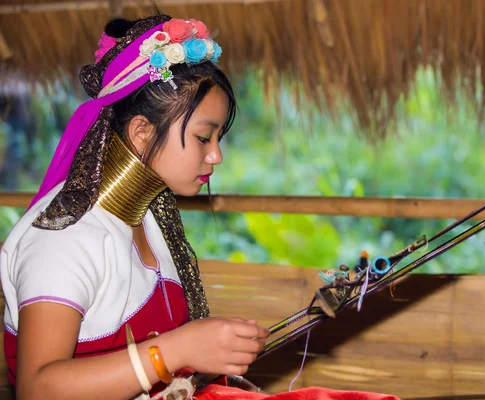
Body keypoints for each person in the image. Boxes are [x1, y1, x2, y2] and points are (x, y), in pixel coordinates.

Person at [0, 14, 400, 400]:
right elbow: (37, 389)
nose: (216, 157)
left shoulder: (150, 216)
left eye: (218, 139)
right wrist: (177, 351)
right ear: (142, 132)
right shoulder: (64, 238)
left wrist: (211, 346)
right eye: (204, 137)